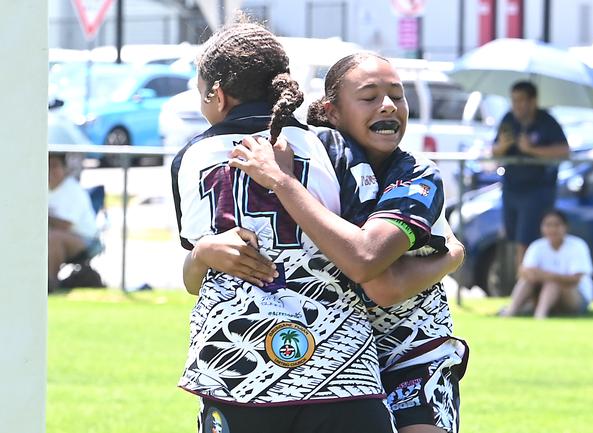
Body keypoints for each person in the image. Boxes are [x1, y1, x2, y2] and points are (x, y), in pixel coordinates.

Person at [171, 21, 396, 433]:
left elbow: (193, 279)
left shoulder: (192, 157)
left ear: (215, 94)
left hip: (238, 368)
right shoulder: (330, 147)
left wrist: (201, 253)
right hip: (339, 366)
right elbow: (371, 250)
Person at [227, 52, 469, 433]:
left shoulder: (417, 175)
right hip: (333, 352)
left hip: (411, 348)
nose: (389, 105)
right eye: (370, 97)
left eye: (397, 95)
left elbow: (374, 275)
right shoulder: (312, 163)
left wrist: (283, 182)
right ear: (332, 111)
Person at [492, 80, 570, 266]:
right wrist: (502, 147)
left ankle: (523, 288)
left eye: (521, 100)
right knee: (513, 237)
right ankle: (524, 285)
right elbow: (494, 152)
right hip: (511, 188)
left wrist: (532, 150)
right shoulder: (508, 119)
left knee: (525, 241)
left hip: (537, 190)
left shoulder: (546, 121)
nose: (517, 105)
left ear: (533, 101)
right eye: (514, 100)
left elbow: (564, 151)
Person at [500, 209, 593, 319]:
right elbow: (524, 272)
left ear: (566, 227)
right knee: (527, 281)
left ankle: (540, 314)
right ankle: (512, 310)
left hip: (575, 298)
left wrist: (547, 275)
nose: (552, 229)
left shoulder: (578, 246)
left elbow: (575, 279)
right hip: (543, 293)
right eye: (548, 225)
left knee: (553, 283)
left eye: (557, 225)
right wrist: (537, 275)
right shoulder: (537, 246)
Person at [48, 153, 100, 292]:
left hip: (85, 239)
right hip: (54, 235)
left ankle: (50, 284)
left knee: (54, 238)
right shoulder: (42, 189)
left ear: (64, 169)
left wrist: (42, 217)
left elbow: (65, 226)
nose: (50, 171)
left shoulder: (72, 190)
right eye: (47, 166)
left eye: (55, 166)